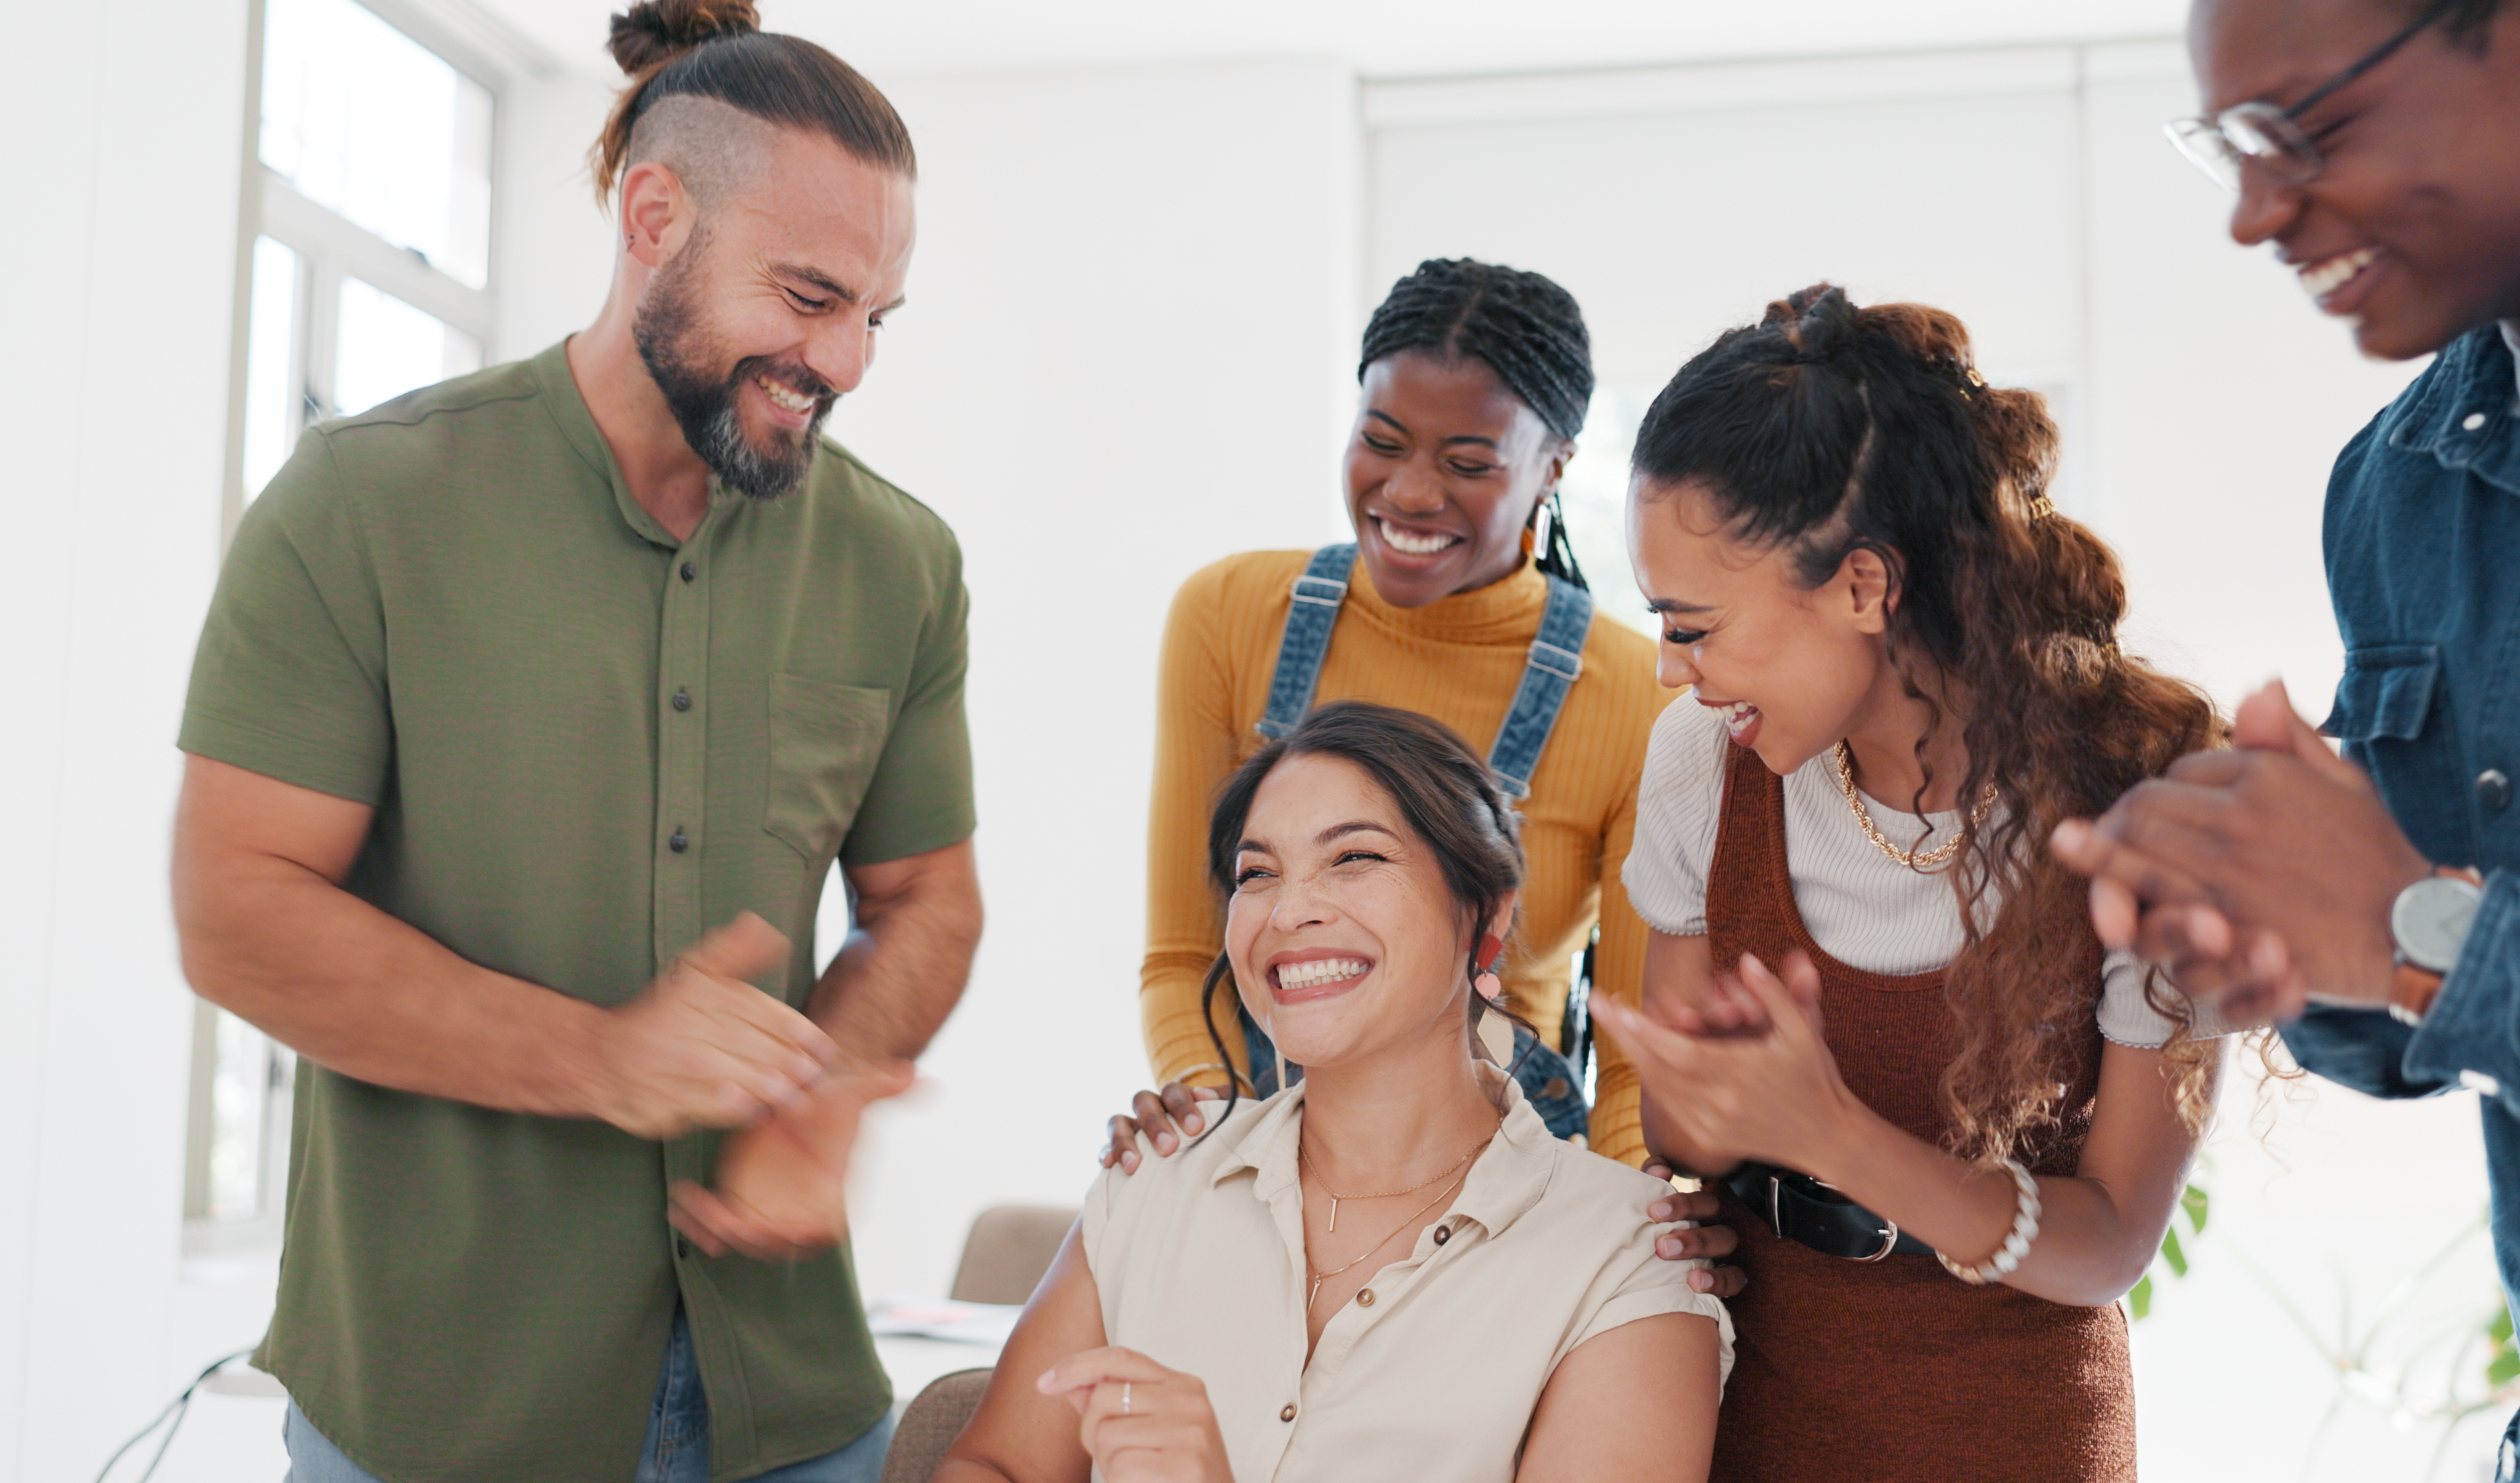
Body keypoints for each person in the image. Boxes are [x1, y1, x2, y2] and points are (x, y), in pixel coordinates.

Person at [172, 4, 980, 1479]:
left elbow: (927, 899)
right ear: (652, 217)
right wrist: (599, 1059)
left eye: (876, 314)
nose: (848, 362)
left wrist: (829, 1080)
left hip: (789, 1412)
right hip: (438, 1412)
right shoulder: (363, 507)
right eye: (806, 297)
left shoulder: (899, 563)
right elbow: (236, 915)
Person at [2049, 1, 2520, 1478]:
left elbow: (2450, 946)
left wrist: (2422, 937)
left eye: (2306, 130)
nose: (2253, 215)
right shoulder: (2399, 484)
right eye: (2229, 152)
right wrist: (2270, 942)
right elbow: (2407, 1022)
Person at [1587, 287, 2231, 1482]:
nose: (1672, 670)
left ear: (1864, 588)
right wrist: (1710, 1089)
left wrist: (1828, 1131)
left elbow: (2110, 1242)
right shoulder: (1705, 762)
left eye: (1696, 626)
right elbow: (1679, 1133)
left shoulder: (2142, 799)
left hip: (2018, 1426)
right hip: (1746, 1401)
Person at [936, 702, 1730, 1483]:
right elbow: (995, 1466)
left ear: (1484, 915)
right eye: (1257, 874)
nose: (1289, 911)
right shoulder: (1154, 1178)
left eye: (1354, 858)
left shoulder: (1631, 1258)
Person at [1114, 260, 1675, 1168]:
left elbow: (1632, 1058)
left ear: (1553, 469)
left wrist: (1628, 1223)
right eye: (1383, 440)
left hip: (1513, 1177)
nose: (1411, 493)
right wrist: (1219, 1139)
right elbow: (1184, 959)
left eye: (1467, 463)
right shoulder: (1226, 616)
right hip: (1259, 1142)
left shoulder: (1639, 697)